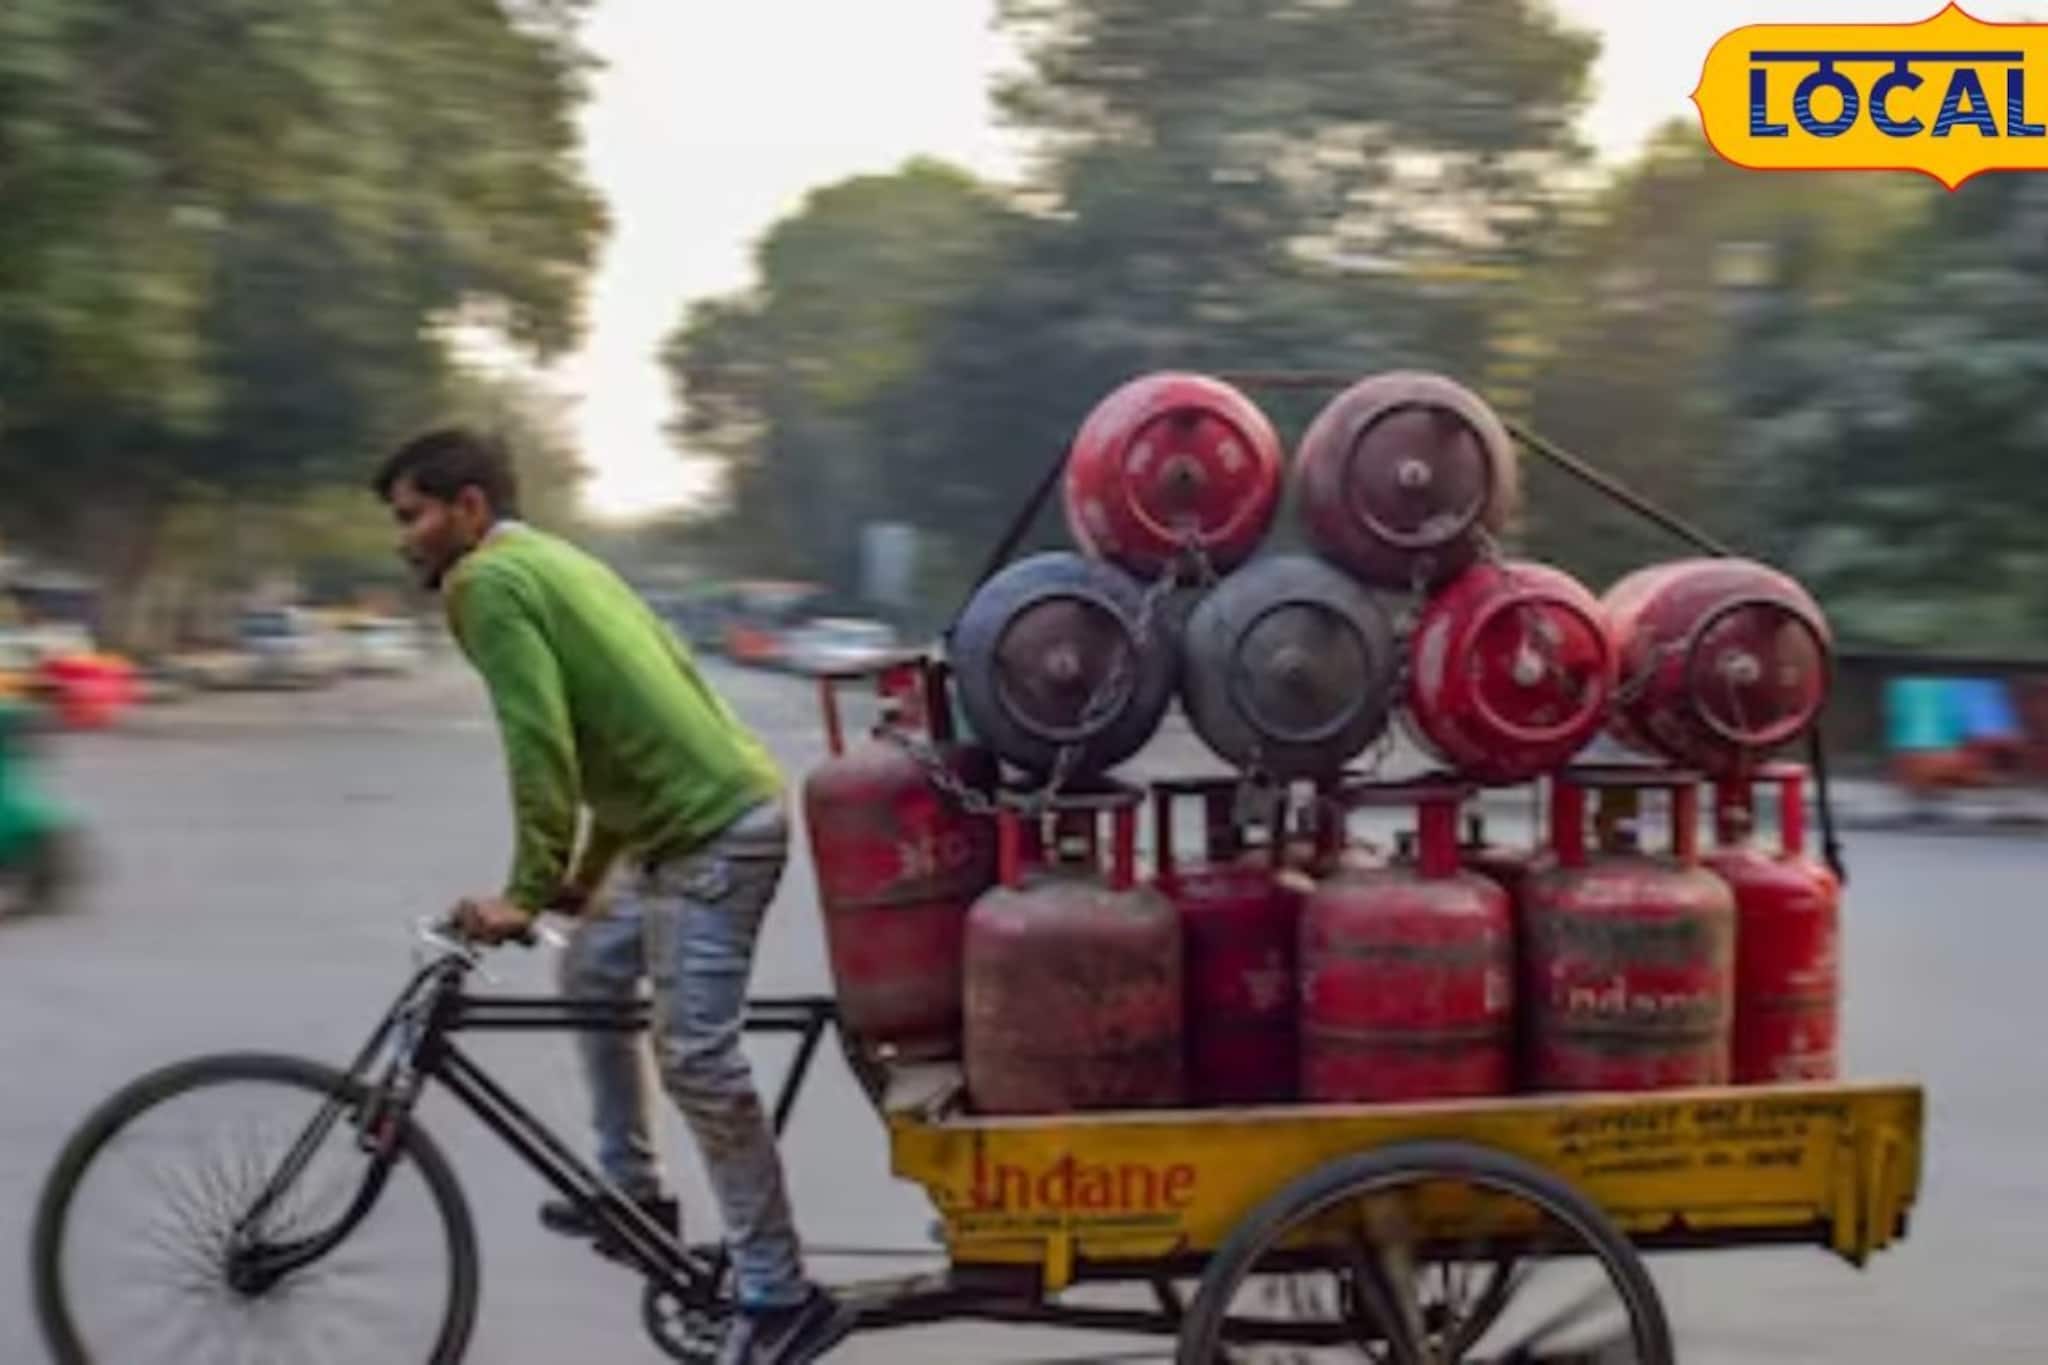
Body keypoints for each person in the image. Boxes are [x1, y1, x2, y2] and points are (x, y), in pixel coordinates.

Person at [372, 427, 846, 1365]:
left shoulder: (486, 583)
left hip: (713, 833)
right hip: (696, 818)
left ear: (470, 508)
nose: (403, 538)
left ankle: (781, 1293)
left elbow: (541, 741)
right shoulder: (553, 560)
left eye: (413, 515)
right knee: (592, 963)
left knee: (697, 1057)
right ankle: (635, 1193)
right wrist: (582, 879)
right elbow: (620, 740)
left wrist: (526, 889)